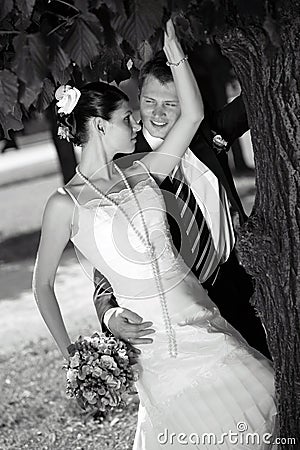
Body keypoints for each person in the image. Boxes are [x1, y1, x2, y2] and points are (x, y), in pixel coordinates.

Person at [33, 20, 276, 449]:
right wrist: (71, 354)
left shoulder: (143, 171)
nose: (136, 125)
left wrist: (174, 51)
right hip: (156, 349)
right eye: (127, 118)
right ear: (102, 127)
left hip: (206, 325)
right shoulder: (63, 205)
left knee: (266, 405)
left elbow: (195, 114)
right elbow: (42, 285)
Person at [93, 50, 270, 358]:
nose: (157, 114)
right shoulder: (126, 169)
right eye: (149, 102)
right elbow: (105, 255)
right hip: (185, 301)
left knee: (266, 372)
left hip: (238, 279)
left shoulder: (207, 133)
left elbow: (259, 95)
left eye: (170, 104)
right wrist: (108, 313)